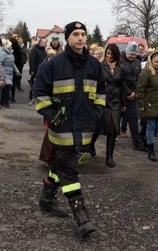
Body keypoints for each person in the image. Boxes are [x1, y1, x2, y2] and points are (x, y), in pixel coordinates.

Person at [34, 21, 105, 238]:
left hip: (84, 127)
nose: (81, 38)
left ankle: (46, 198)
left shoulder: (94, 65)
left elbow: (101, 93)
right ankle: (81, 215)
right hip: (61, 127)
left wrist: (96, 114)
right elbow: (40, 93)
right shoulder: (53, 64)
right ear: (67, 38)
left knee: (62, 164)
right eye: (75, 34)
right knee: (70, 169)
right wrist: (53, 117)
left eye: (83, 34)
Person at [89, 43, 125, 167]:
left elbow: (123, 86)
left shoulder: (121, 68)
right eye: (107, 53)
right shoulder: (100, 66)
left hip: (116, 101)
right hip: (102, 100)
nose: (109, 56)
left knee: (113, 128)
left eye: (112, 54)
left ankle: (109, 156)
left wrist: (124, 103)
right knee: (99, 126)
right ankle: (91, 144)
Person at [120, 41, 145, 150]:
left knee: (134, 118)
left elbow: (139, 79)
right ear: (126, 52)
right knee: (116, 117)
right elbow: (119, 79)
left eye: (134, 54)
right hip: (121, 94)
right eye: (131, 54)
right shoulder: (120, 61)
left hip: (133, 94)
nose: (133, 56)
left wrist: (134, 92)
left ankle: (137, 143)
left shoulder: (137, 63)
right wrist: (128, 92)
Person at [0, 38, 20, 108]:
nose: (11, 47)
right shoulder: (3, 53)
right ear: (7, 47)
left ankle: (2, 102)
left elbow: (13, 64)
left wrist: (17, 71)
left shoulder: (11, 54)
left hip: (9, 73)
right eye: (10, 46)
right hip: (5, 73)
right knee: (6, 87)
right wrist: (2, 73)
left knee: (6, 88)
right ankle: (5, 102)